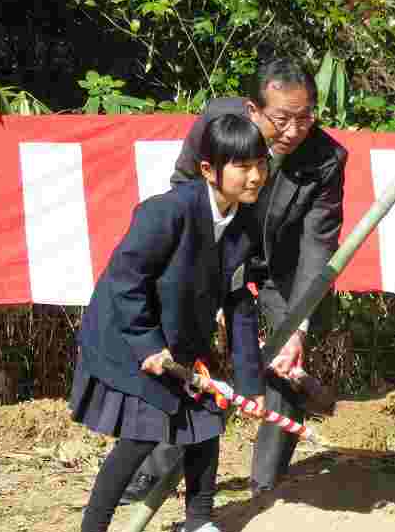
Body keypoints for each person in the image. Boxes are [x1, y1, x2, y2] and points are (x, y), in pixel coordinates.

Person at [121, 57, 347, 503]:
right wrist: (206, 282)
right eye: (282, 119)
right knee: (185, 358)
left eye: (306, 118)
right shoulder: (216, 123)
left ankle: (267, 485)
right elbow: (184, 189)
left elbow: (317, 244)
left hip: (281, 269)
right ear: (253, 109)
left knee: (287, 360)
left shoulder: (327, 159)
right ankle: (152, 471)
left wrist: (296, 326)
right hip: (215, 248)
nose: (294, 131)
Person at [66, 113, 269, 532]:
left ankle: (197, 529)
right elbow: (124, 281)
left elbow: (240, 306)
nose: (255, 175)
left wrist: (250, 382)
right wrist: (147, 344)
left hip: (178, 342)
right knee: (142, 432)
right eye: (241, 166)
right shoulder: (167, 211)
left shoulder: (246, 224)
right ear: (207, 169)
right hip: (126, 333)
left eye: (259, 163)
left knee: (206, 419)